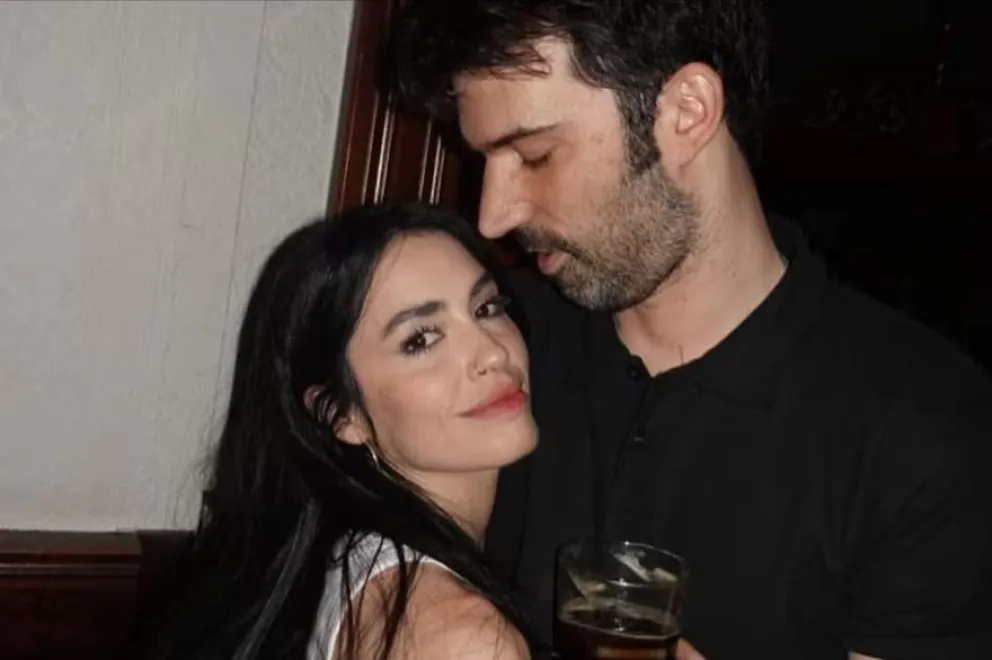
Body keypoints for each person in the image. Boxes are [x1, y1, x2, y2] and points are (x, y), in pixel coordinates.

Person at [386, 1, 992, 659]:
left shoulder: (925, 424)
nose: (494, 215)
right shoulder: (498, 349)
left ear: (687, 112)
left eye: (534, 155)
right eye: (485, 160)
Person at [155, 203, 539, 660]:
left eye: (486, 307)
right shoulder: (464, 640)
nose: (493, 352)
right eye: (421, 339)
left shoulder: (351, 558)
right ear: (340, 414)